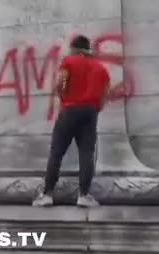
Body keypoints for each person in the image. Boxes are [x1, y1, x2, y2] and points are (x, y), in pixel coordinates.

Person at [32, 35, 111, 208]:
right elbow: (105, 92)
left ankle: (47, 194)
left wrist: (63, 97)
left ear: (75, 48)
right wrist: (97, 107)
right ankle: (83, 195)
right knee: (86, 153)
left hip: (70, 109)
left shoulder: (69, 62)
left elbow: (60, 83)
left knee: (57, 152)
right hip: (90, 112)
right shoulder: (101, 68)